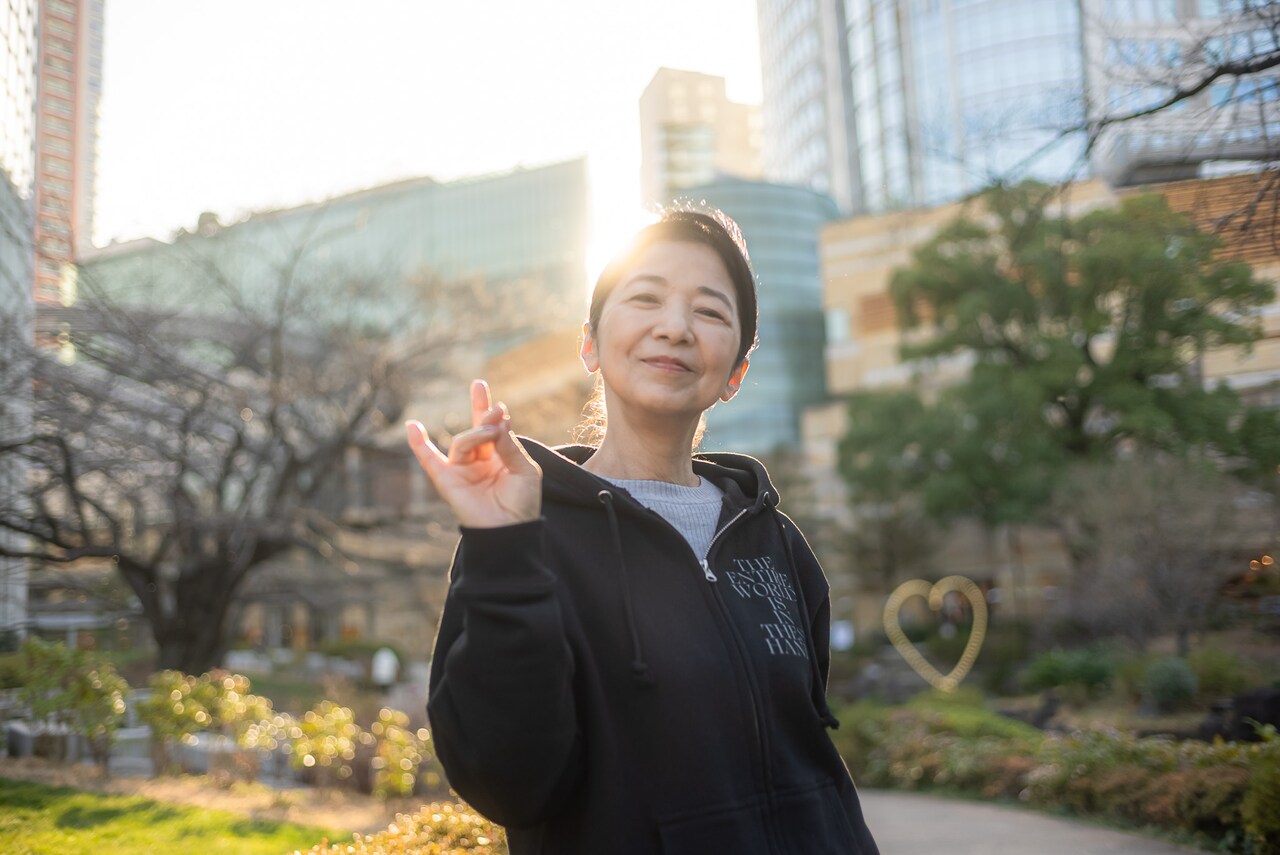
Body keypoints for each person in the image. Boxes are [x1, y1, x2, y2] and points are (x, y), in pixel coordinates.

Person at [407, 209, 880, 854]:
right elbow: (508, 784)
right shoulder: (523, 532)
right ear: (590, 344)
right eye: (646, 298)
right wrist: (501, 547)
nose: (675, 327)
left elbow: (806, 748)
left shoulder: (774, 541)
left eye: (710, 312)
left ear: (737, 371)